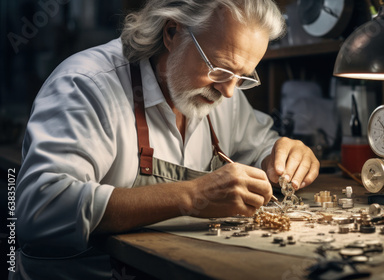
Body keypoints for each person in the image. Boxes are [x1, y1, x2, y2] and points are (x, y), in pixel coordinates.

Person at [11, 0, 320, 279]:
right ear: (172, 32)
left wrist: (280, 154)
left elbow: (258, 143)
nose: (228, 91)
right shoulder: (87, 85)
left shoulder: (222, 92)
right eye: (219, 69)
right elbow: (38, 210)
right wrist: (191, 196)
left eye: (243, 77)